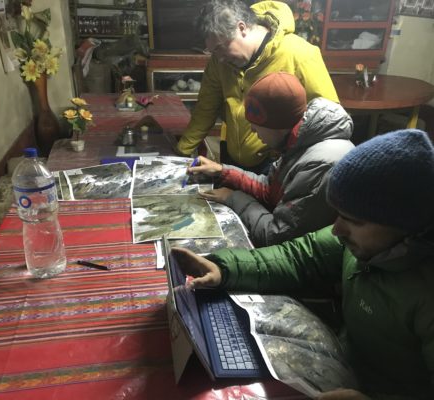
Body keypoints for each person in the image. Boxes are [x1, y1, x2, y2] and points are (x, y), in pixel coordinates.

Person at [173, 129, 434, 399]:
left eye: (355, 221)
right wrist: (225, 268)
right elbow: (298, 257)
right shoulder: (360, 245)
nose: (337, 230)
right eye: (338, 215)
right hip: (344, 371)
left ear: (404, 224)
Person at [189, 72, 354, 247]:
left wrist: (233, 198)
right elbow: (271, 191)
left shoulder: (319, 165)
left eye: (256, 125)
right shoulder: (300, 142)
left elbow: (276, 236)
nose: (253, 130)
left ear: (277, 125)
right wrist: (223, 171)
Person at [175, 0, 339, 172]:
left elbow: (327, 118)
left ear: (241, 28)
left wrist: (288, 151)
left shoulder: (298, 53)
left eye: (220, 48)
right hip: (232, 157)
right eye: (213, 52)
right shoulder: (219, 61)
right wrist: (181, 153)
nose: (220, 58)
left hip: (278, 162)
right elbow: (205, 109)